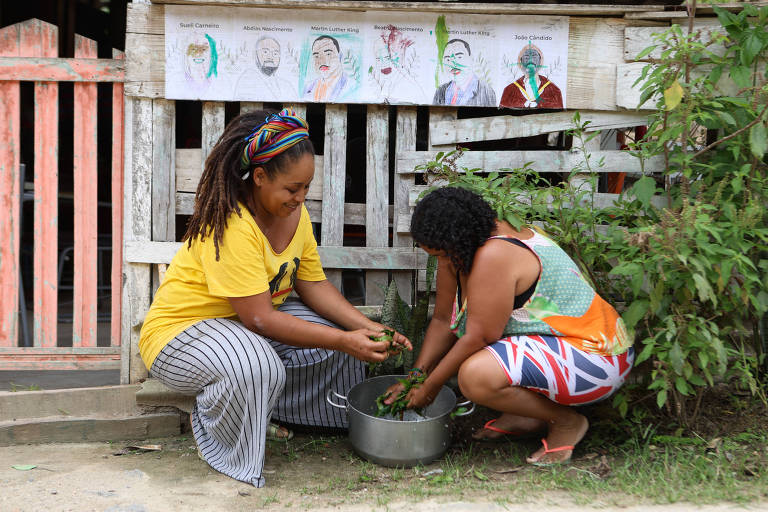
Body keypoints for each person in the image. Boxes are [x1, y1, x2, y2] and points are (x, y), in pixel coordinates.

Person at [139, 108, 410, 487]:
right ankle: (218, 431)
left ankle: (269, 411)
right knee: (258, 365)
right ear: (260, 177)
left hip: (243, 328)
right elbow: (261, 320)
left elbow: (312, 284)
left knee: (330, 337)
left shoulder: (293, 215)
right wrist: (347, 340)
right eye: (292, 189)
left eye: (306, 187)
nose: (301, 198)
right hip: (182, 336)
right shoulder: (233, 224)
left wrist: (368, 328)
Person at [387, 187, 633, 465]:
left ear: (457, 239)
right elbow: (444, 320)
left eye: (442, 255)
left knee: (475, 376)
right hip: (558, 345)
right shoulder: (461, 247)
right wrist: (415, 378)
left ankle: (566, 421)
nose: (441, 262)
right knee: (484, 366)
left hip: (598, 358)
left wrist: (430, 388)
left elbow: (479, 336)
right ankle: (528, 415)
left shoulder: (496, 254)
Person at [433, 39, 496, 107]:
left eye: (459, 57)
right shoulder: (440, 91)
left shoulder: (486, 91)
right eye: (448, 59)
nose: (453, 64)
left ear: (471, 59)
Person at [232, 36, 297, 101]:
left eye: (275, 53)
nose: (270, 57)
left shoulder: (286, 85)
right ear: (255, 55)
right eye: (265, 52)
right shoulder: (247, 79)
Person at [500, 44, 563, 109]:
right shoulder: (510, 90)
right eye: (526, 57)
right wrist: (522, 104)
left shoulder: (553, 90)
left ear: (540, 62)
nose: (530, 60)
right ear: (521, 62)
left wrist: (538, 105)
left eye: (534, 56)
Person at [303, 35, 351, 102]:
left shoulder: (349, 85)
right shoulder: (309, 87)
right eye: (316, 56)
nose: (322, 62)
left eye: (328, 54)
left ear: (340, 56)